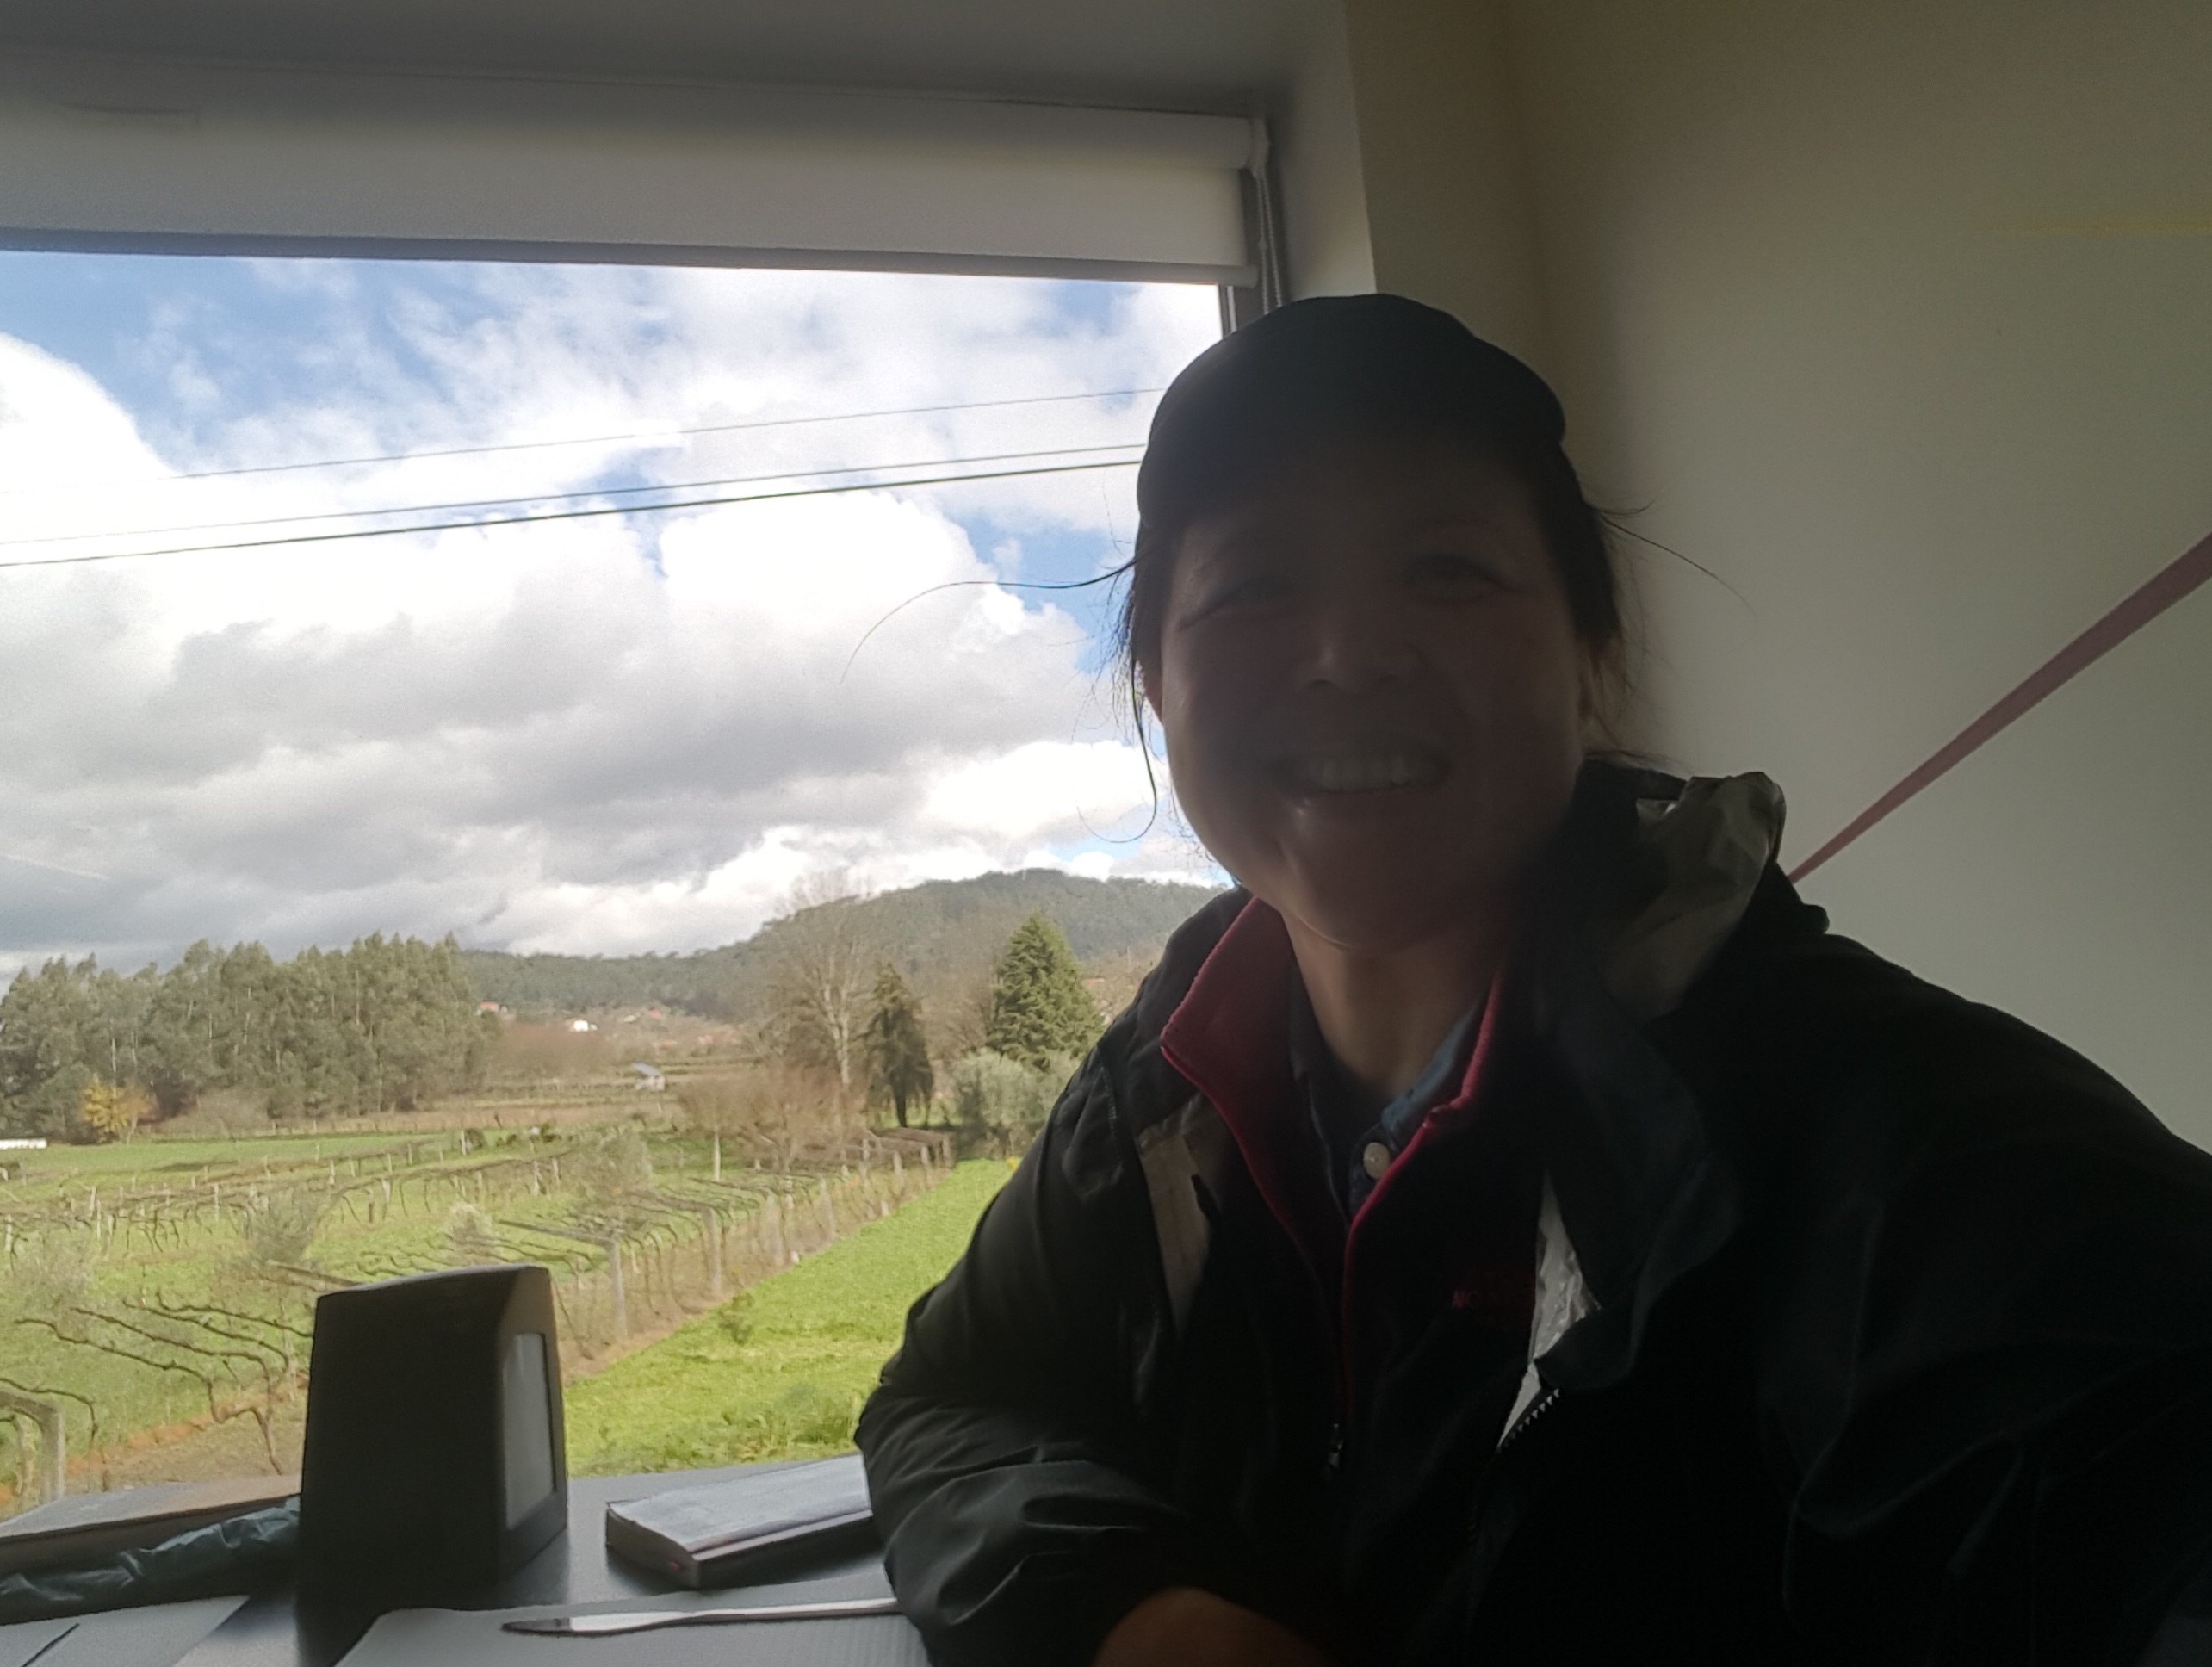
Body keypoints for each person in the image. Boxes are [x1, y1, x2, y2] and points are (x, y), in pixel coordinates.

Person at [854, 295, 2212, 1665]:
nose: (1349, 656)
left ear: (1592, 658)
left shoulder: (1888, 1140)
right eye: (1256, 584)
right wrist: (1132, 1612)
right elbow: (952, 1399)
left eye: (1447, 568)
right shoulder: (1166, 1089)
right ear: (1155, 679)